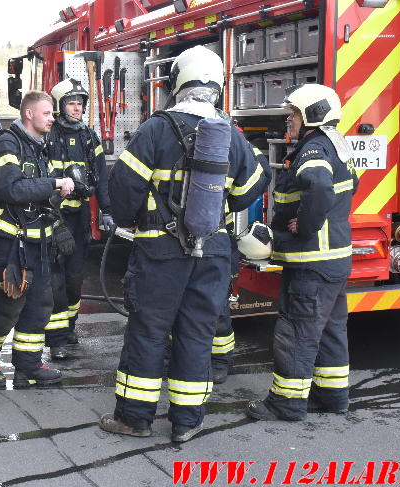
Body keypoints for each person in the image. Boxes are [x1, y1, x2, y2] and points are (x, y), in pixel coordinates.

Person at [99, 45, 271, 442]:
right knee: (196, 333)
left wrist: (130, 218)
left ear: (179, 82)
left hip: (160, 252)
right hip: (212, 252)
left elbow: (123, 188)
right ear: (216, 86)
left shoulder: (156, 128)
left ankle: (135, 418)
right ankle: (187, 422)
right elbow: (249, 192)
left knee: (149, 331)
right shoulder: (230, 134)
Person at [246, 83, 358, 423]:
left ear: (312, 114)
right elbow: (349, 186)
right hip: (335, 260)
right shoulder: (335, 144)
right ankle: (333, 396)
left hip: (312, 261)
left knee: (297, 331)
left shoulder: (313, 150)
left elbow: (320, 186)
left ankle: (286, 403)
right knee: (330, 329)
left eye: (293, 114)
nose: (288, 121)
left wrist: (305, 225)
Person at [0, 91, 75, 390]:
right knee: (8, 304)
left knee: (40, 305)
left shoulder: (38, 147)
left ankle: (28, 365)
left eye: (52, 113)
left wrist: (63, 200)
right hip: (10, 243)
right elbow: (11, 190)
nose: (53, 118)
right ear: (29, 114)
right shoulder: (7, 144)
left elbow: (41, 196)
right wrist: (54, 183)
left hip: (38, 241)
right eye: (47, 113)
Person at [43, 78, 114, 360]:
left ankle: (68, 327)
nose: (77, 108)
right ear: (60, 106)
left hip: (79, 214)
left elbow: (102, 177)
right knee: (55, 278)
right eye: (72, 103)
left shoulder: (88, 136)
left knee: (74, 278)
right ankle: (56, 338)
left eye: (80, 103)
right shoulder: (48, 135)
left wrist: (106, 211)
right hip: (53, 215)